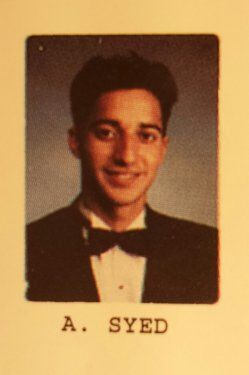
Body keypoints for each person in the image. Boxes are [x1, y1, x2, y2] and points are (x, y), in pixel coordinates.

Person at [26, 53, 218, 303]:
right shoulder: (23, 246)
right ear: (75, 141)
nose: (126, 156)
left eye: (146, 136)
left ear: (162, 148)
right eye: (106, 133)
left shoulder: (211, 250)